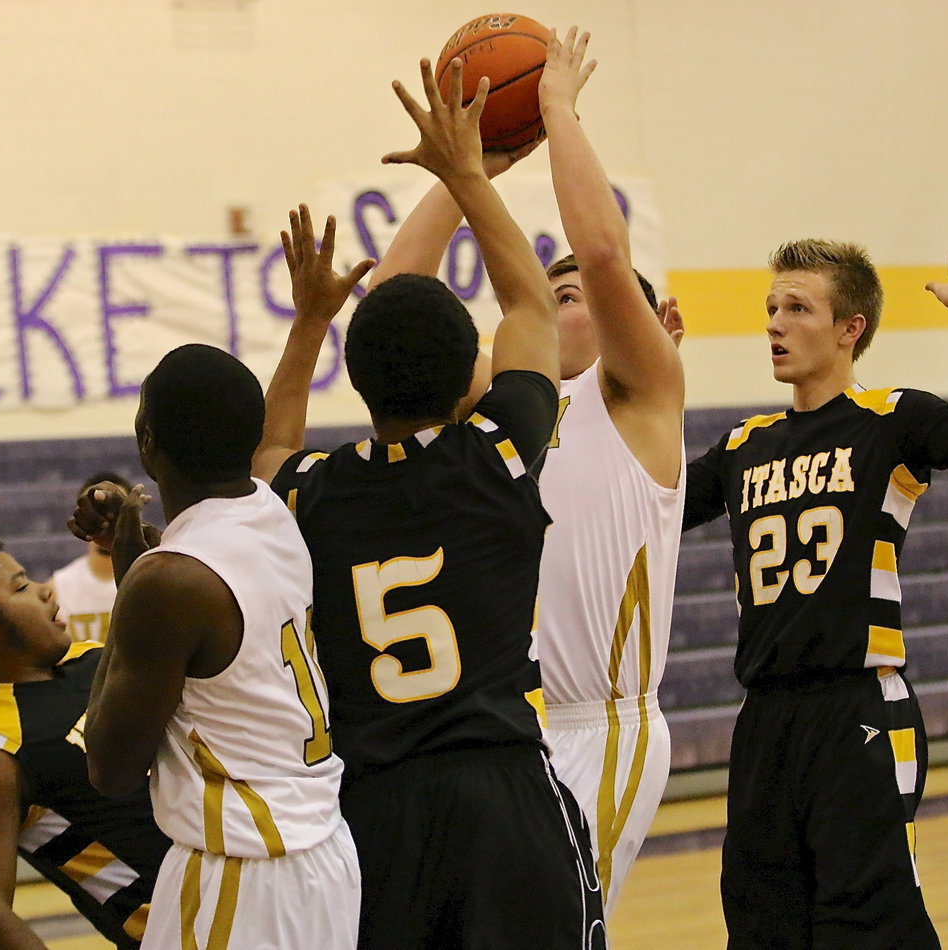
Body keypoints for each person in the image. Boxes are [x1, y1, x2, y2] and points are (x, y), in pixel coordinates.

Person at [251, 56, 605, 949]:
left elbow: (267, 451)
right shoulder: (497, 458)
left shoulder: (308, 493)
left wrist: (307, 326)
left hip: (373, 813)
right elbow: (527, 298)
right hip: (503, 792)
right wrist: (468, 175)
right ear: (467, 383)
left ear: (356, 380)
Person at [366, 27, 687, 912]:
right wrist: (471, 169)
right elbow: (394, 311)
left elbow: (608, 254)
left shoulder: (641, 397)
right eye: (547, 291)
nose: (555, 298)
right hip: (506, 727)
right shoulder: (507, 409)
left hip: (603, 724)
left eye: (571, 294)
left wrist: (555, 110)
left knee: (561, 927)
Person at [682, 237, 948, 948]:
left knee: (870, 925)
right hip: (764, 719)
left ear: (850, 328)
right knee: (761, 926)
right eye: (770, 308)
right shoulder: (742, 445)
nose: (774, 323)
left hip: (857, 707)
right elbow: (645, 501)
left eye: (797, 308)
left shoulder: (891, 419)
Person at [69, 344, 361, 949]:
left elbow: (110, 770)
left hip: (242, 870)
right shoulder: (273, 508)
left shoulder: (168, 582)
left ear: (146, 441)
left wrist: (133, 585)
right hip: (324, 852)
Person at [0, 536, 170, 949]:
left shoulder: (92, 659)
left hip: (267, 885)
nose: (46, 589)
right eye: (21, 587)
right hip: (186, 930)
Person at [50, 470, 132, 641]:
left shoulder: (154, 577)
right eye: (96, 509)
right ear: (78, 518)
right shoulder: (56, 590)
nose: (107, 518)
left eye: (117, 508)